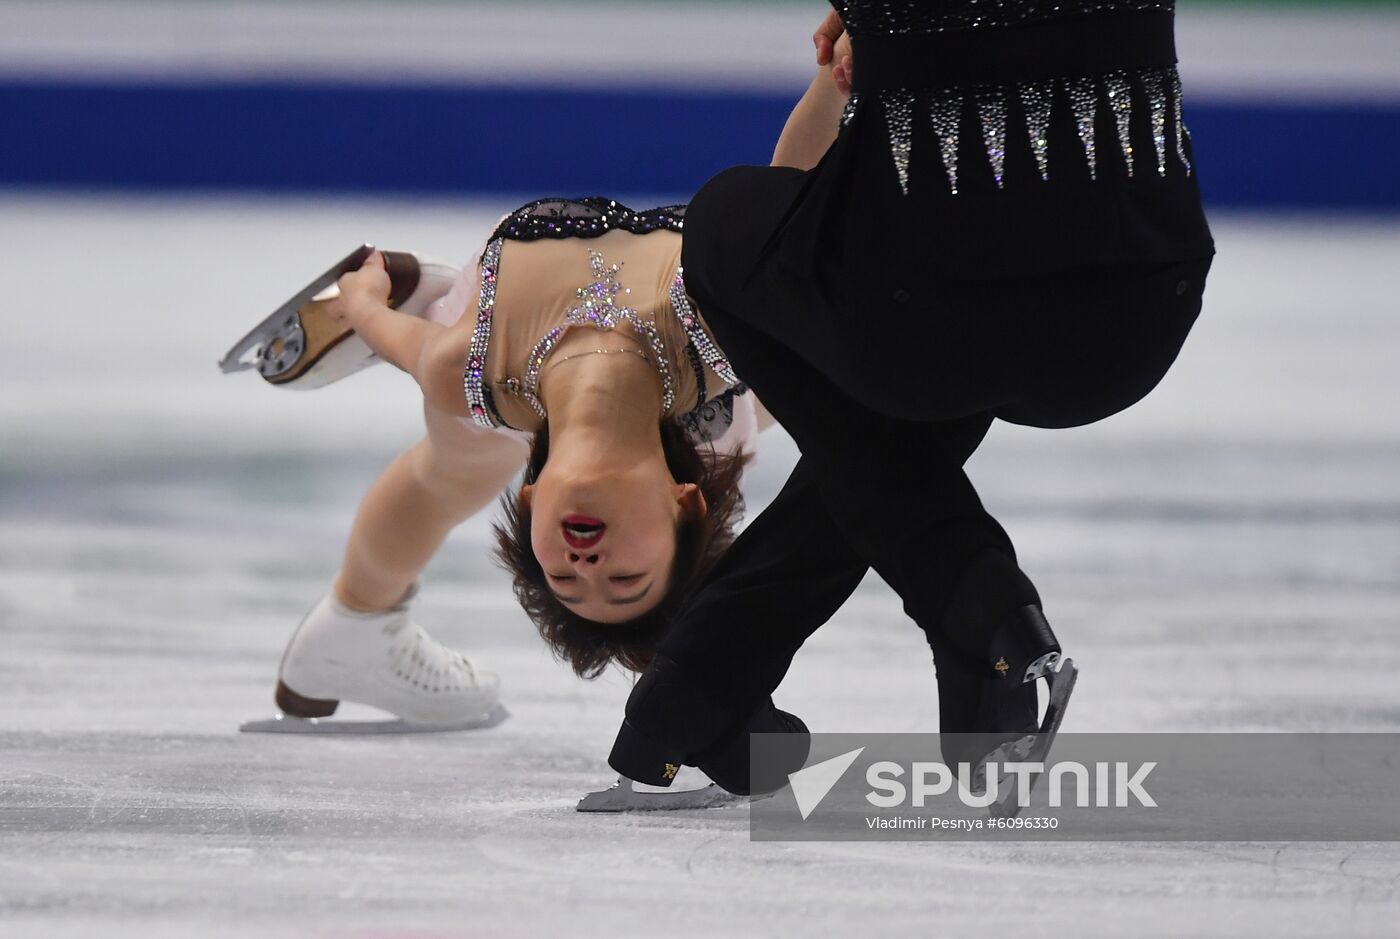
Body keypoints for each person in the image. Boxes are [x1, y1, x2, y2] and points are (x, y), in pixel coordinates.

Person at [603, 0, 1216, 796]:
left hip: (923, 318)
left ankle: (976, 608)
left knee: (725, 228)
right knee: (898, 412)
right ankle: (703, 689)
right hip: (1139, 310)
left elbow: (806, 172)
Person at [262, 201, 765, 725]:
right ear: (685, 503)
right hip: (710, 382)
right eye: (626, 579)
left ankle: (351, 626)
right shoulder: (721, 334)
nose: (586, 567)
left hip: (496, 358)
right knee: (770, 397)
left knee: (453, 473)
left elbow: (370, 316)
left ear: (530, 500)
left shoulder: (459, 372)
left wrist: (364, 302)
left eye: (563, 580)